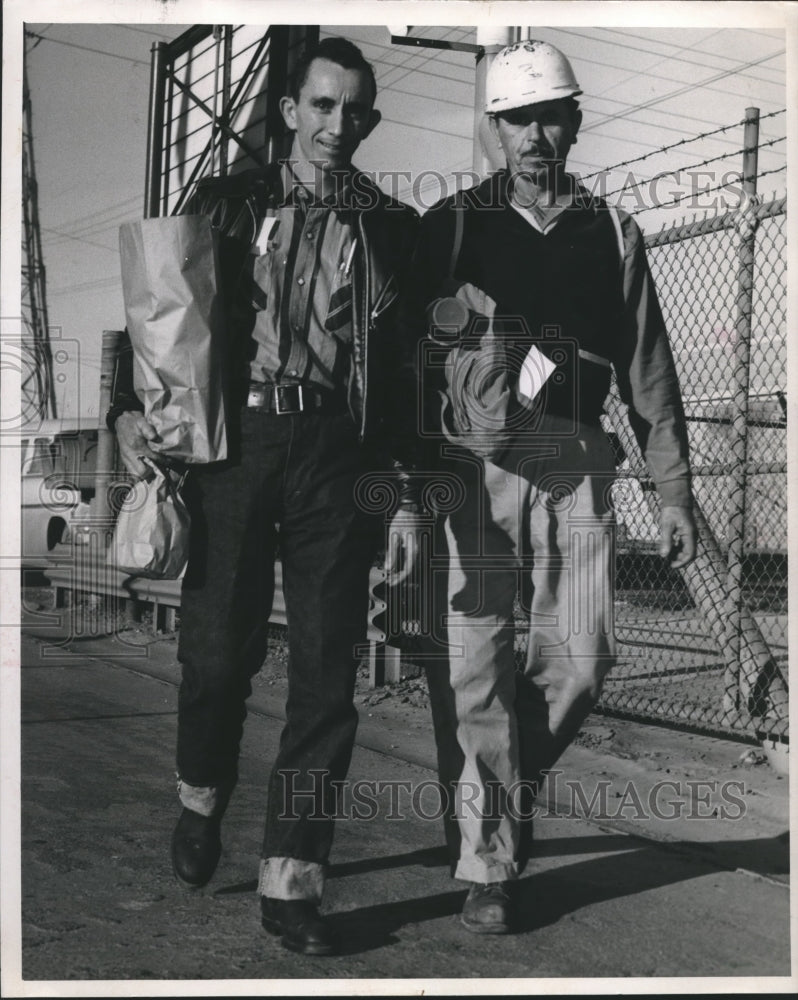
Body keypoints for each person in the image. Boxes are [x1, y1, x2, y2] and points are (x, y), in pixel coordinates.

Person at [107, 37, 420, 956]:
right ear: (289, 111)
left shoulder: (391, 229)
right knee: (216, 657)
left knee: (327, 676)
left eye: (353, 111)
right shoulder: (226, 200)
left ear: (369, 121)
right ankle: (202, 796)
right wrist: (128, 409)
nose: (336, 126)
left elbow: (407, 370)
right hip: (234, 445)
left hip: (337, 452)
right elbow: (159, 306)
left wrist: (403, 488)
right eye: (321, 105)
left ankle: (293, 882)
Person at [398, 39, 698, 935]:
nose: (534, 135)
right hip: (473, 464)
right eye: (517, 119)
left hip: (576, 459)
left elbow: (649, 369)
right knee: (478, 662)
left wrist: (674, 489)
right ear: (494, 128)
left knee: (584, 655)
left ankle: (499, 784)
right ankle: (489, 866)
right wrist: (409, 486)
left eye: (549, 117)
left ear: (574, 123)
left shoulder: (613, 231)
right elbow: (406, 362)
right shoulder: (452, 225)